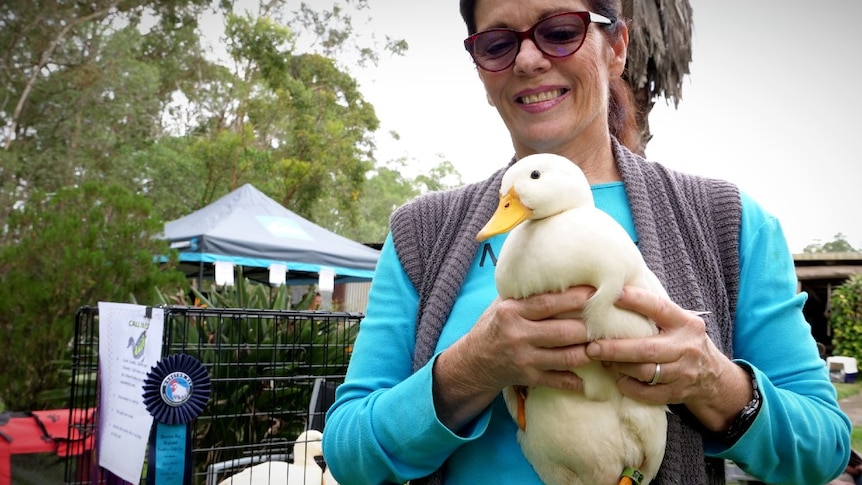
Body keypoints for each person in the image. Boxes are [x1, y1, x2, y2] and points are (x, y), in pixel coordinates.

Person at [322, 0, 852, 483]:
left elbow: (824, 447)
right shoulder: (422, 233)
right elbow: (348, 453)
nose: (528, 60)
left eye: (559, 31)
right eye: (499, 43)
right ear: (481, 70)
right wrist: (472, 370)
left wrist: (713, 382)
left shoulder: (728, 222)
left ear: (616, 47)